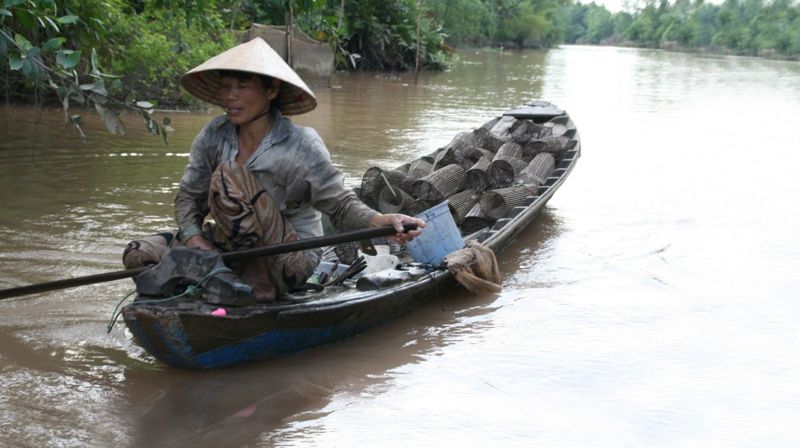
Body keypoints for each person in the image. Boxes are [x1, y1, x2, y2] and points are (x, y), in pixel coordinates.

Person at [124, 37, 424, 301]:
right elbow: (189, 196)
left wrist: (380, 220)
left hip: (286, 259)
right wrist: (195, 240)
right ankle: (214, 276)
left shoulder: (301, 144)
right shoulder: (214, 134)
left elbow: (340, 204)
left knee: (229, 177)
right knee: (139, 253)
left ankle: (258, 284)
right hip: (228, 248)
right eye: (226, 87)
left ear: (271, 91)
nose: (230, 96)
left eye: (242, 87)